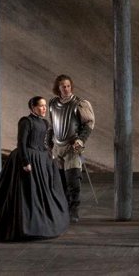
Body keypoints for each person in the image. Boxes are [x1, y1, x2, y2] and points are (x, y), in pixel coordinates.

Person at [0, 96, 69, 241]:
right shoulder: (26, 121)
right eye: (41, 106)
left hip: (41, 159)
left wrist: (49, 152)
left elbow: (46, 141)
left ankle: (42, 224)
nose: (44, 108)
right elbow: (21, 143)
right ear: (33, 107)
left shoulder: (44, 122)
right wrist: (25, 161)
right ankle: (23, 227)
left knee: (43, 191)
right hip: (27, 158)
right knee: (26, 192)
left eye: (45, 106)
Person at [47, 74, 95, 223]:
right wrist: (48, 142)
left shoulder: (79, 103)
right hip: (57, 148)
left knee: (73, 181)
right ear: (58, 88)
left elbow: (88, 124)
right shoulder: (52, 103)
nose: (66, 89)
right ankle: (63, 210)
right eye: (63, 86)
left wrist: (81, 140)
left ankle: (74, 211)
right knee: (60, 182)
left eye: (68, 86)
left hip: (72, 147)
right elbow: (53, 125)